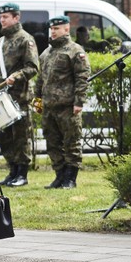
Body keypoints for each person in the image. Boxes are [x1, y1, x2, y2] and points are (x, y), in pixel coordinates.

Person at [34, 16, 91, 189]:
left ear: (66, 29)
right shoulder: (46, 53)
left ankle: (70, 178)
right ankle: (59, 176)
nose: (53, 31)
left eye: (57, 28)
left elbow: (82, 77)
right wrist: (37, 100)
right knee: (52, 143)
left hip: (67, 107)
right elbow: (40, 79)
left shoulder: (75, 51)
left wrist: (79, 101)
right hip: (49, 107)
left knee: (71, 142)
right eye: (51, 28)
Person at [0, 3, 39, 187]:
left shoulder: (26, 39)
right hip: (0, 97)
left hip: (19, 97)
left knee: (21, 136)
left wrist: (16, 77)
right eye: (1, 17)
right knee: (5, 136)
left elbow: (33, 67)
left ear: (16, 18)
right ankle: (12, 171)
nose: (2, 20)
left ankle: (22, 174)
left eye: (6, 17)